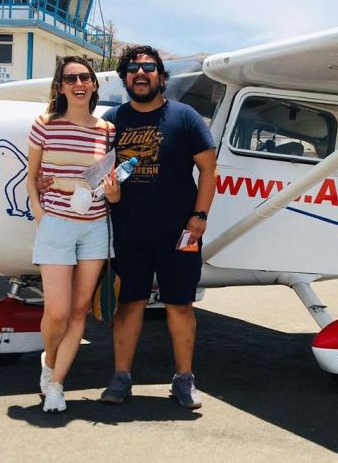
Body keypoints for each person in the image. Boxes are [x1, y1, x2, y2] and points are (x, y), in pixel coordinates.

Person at [100, 45, 217, 409]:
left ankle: (184, 381)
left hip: (178, 233)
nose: (140, 73)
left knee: (179, 305)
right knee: (129, 305)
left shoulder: (185, 117)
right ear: (125, 79)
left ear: (161, 77)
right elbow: (93, 169)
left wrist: (199, 219)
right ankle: (121, 379)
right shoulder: (112, 120)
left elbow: (209, 171)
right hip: (129, 232)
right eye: (133, 69)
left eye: (148, 68)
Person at [26, 56, 119, 413]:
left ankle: (57, 384)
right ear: (61, 86)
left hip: (96, 225)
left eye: (85, 77)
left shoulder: (107, 131)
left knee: (80, 309)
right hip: (57, 225)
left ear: (94, 84)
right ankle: (49, 363)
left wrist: (113, 193)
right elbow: (31, 176)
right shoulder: (45, 124)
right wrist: (38, 210)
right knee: (57, 313)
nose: (78, 83)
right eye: (70, 79)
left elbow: (106, 181)